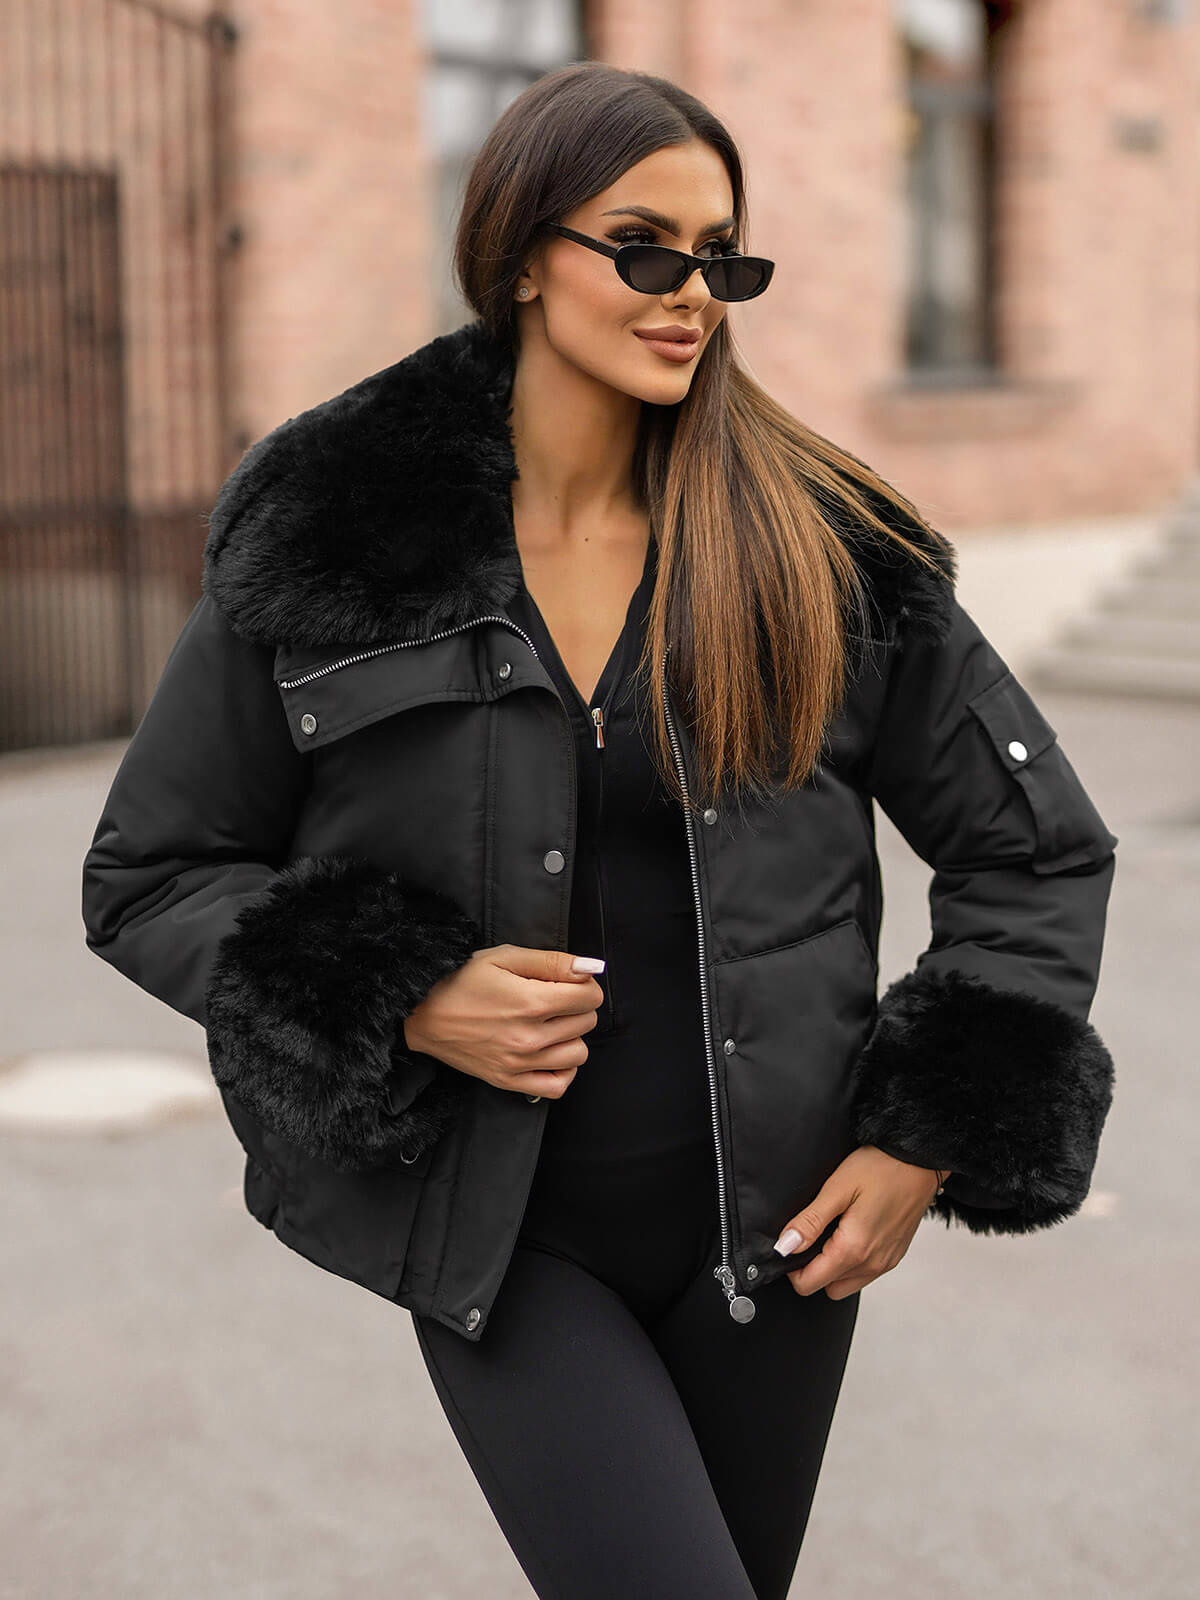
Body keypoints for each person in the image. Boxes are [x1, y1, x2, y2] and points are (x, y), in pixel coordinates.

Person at [81, 61, 1118, 1600]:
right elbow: (152, 872)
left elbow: (1033, 847)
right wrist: (404, 991)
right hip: (498, 1234)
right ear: (519, 253)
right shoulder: (333, 528)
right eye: (643, 248)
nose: (690, 292)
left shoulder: (826, 547)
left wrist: (928, 1130)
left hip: (777, 1235)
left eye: (722, 258)